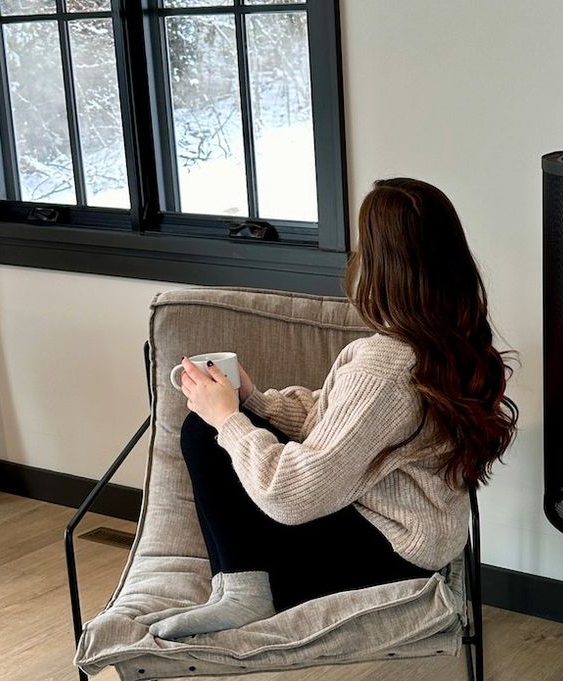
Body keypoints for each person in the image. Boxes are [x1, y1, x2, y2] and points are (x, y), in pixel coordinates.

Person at [143, 178, 518, 639]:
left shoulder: (385, 368)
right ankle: (235, 589)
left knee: (204, 433)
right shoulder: (450, 342)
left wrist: (227, 419)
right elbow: (336, 422)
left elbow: (294, 495)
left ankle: (245, 596)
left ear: (379, 265)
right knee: (218, 427)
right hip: (413, 538)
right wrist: (253, 402)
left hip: (390, 557)